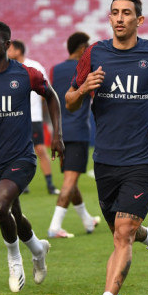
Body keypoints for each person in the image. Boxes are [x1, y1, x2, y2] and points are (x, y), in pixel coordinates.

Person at [65, 0, 148, 295]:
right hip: (105, 161)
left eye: (126, 13)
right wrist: (84, 87)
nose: (119, 18)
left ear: (139, 21)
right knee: (124, 232)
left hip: (142, 158)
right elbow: (70, 102)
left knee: (122, 235)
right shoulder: (94, 53)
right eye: (114, 12)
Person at [0, 20, 64, 292]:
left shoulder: (27, 74)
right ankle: (39, 250)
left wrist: (57, 135)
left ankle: (14, 258)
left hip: (22, 158)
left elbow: (51, 96)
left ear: (6, 45)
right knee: (13, 213)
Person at [47, 32, 101, 238]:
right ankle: (54, 226)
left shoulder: (54, 70)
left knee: (72, 179)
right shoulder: (86, 70)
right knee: (69, 183)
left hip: (59, 133)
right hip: (78, 132)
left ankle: (87, 221)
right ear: (81, 49)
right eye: (87, 48)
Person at [7, 40, 60, 195]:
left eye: (10, 49)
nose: (7, 52)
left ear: (18, 51)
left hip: (33, 117)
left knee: (40, 149)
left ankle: (50, 184)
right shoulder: (9, 68)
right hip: (16, 118)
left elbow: (46, 91)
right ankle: (22, 184)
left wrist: (34, 105)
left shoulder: (34, 66)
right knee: (17, 152)